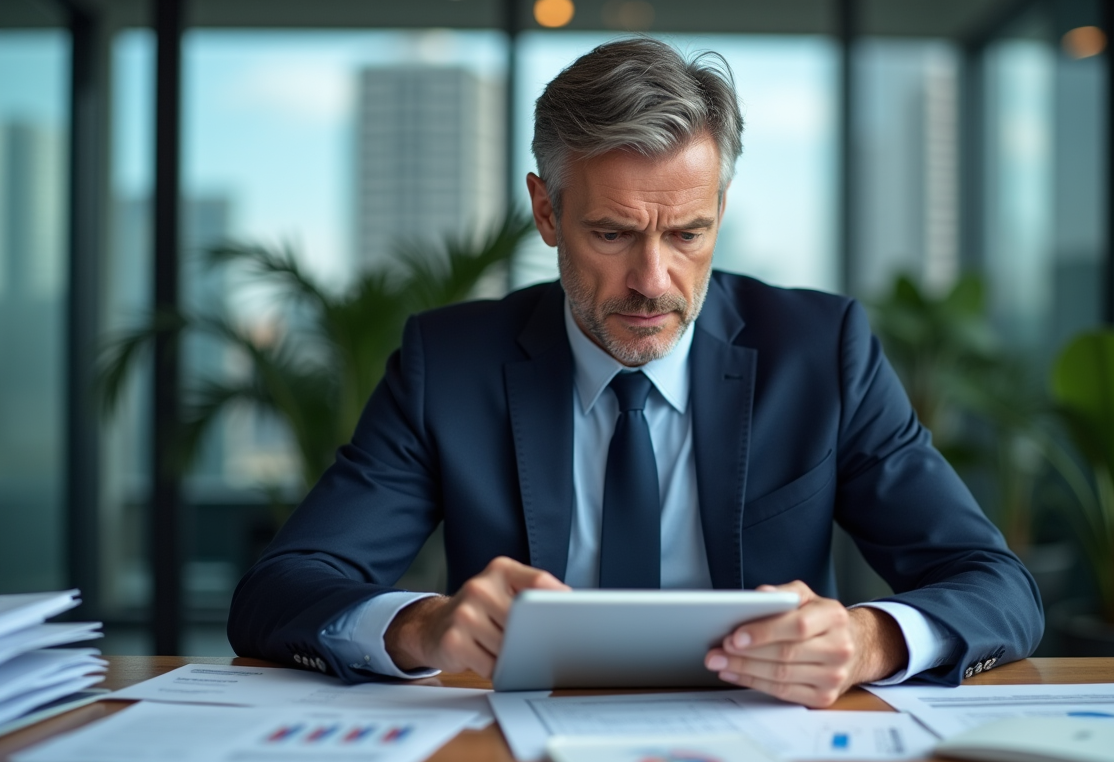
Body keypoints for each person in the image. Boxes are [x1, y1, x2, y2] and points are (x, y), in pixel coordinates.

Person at [228, 38, 1043, 707]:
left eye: (687, 234)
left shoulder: (822, 352)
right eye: (614, 235)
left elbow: (995, 585)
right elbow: (280, 592)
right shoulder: (450, 365)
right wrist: (421, 628)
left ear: (720, 211)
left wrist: (869, 640)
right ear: (547, 212)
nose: (654, 282)